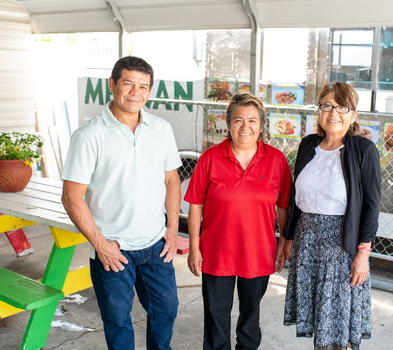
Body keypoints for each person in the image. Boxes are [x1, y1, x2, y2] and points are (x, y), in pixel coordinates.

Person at [61, 56, 182, 350]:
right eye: (128, 83)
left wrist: (172, 228)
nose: (135, 92)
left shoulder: (161, 129)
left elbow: (172, 181)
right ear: (113, 85)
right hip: (112, 250)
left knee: (166, 310)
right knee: (117, 322)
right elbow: (71, 196)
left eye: (143, 86)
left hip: (156, 245)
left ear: (149, 90)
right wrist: (100, 245)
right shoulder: (88, 135)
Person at [185, 93, 292, 350]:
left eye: (252, 120)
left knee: (250, 319)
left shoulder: (276, 160)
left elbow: (283, 207)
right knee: (216, 318)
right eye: (238, 120)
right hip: (216, 252)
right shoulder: (210, 158)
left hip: (258, 252)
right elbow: (195, 206)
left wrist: (283, 243)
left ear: (262, 126)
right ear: (228, 123)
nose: (245, 127)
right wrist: (194, 248)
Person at [283, 82, 382, 350]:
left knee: (337, 330)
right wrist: (288, 238)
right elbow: (297, 198)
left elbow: (372, 205)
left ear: (353, 115)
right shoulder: (307, 145)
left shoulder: (363, 150)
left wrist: (363, 254)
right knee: (320, 323)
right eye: (327, 105)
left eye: (342, 107)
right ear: (319, 111)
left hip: (342, 249)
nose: (333, 113)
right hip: (307, 243)